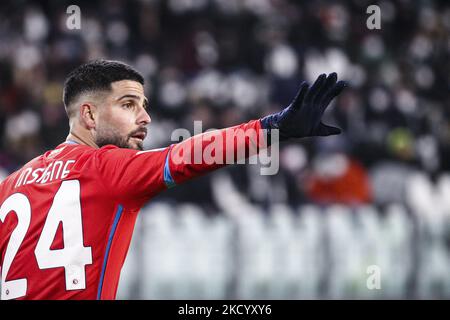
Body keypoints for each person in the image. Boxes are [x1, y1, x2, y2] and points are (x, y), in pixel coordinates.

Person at [0, 59, 346, 300]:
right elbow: (189, 157)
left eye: (144, 105)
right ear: (89, 114)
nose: (145, 117)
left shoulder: (11, 184)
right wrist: (271, 128)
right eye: (128, 105)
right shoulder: (107, 168)